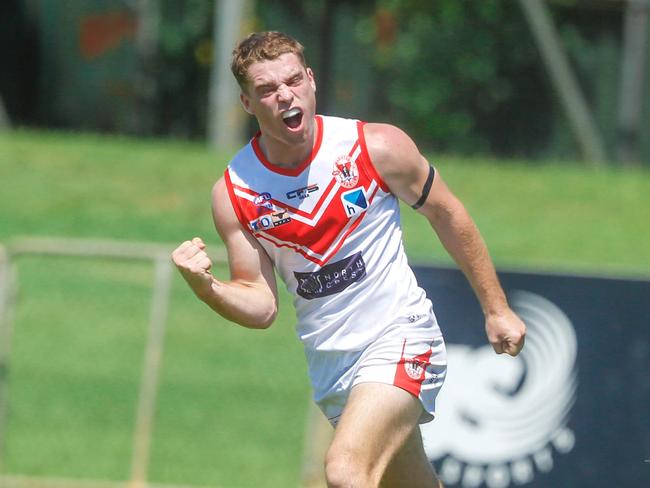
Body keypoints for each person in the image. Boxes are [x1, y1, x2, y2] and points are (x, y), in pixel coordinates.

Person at [172, 31, 526, 488]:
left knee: (345, 470)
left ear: (312, 80)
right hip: (333, 367)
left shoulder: (375, 147)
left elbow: (448, 212)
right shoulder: (236, 192)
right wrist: (207, 288)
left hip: (401, 336)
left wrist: (496, 308)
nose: (284, 95)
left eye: (293, 80)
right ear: (246, 103)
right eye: (266, 89)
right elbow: (260, 305)